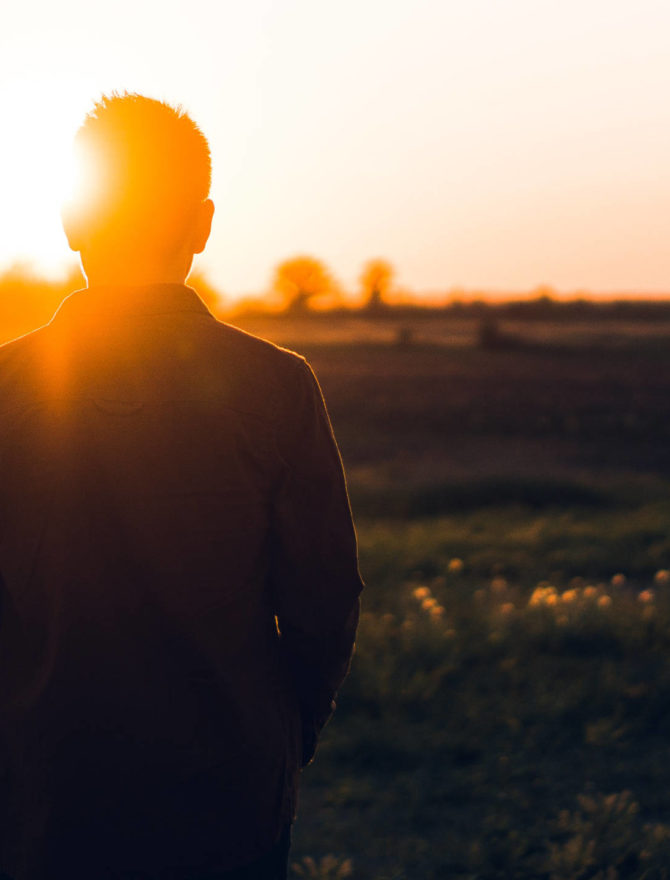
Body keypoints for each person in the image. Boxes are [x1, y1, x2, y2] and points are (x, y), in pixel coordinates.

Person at [0, 93, 363, 880]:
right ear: (201, 224)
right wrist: (279, 741)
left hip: (46, 805)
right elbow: (323, 602)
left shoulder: (5, 388)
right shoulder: (278, 389)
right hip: (226, 807)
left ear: (70, 221)